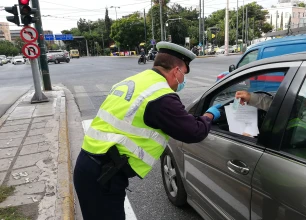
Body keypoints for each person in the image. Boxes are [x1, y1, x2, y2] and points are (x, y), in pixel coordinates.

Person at [74, 41, 222, 220]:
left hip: (91, 166)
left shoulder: (137, 81)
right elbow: (193, 131)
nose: (183, 81)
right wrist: (209, 115)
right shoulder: (161, 96)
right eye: (184, 74)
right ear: (176, 71)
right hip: (103, 176)